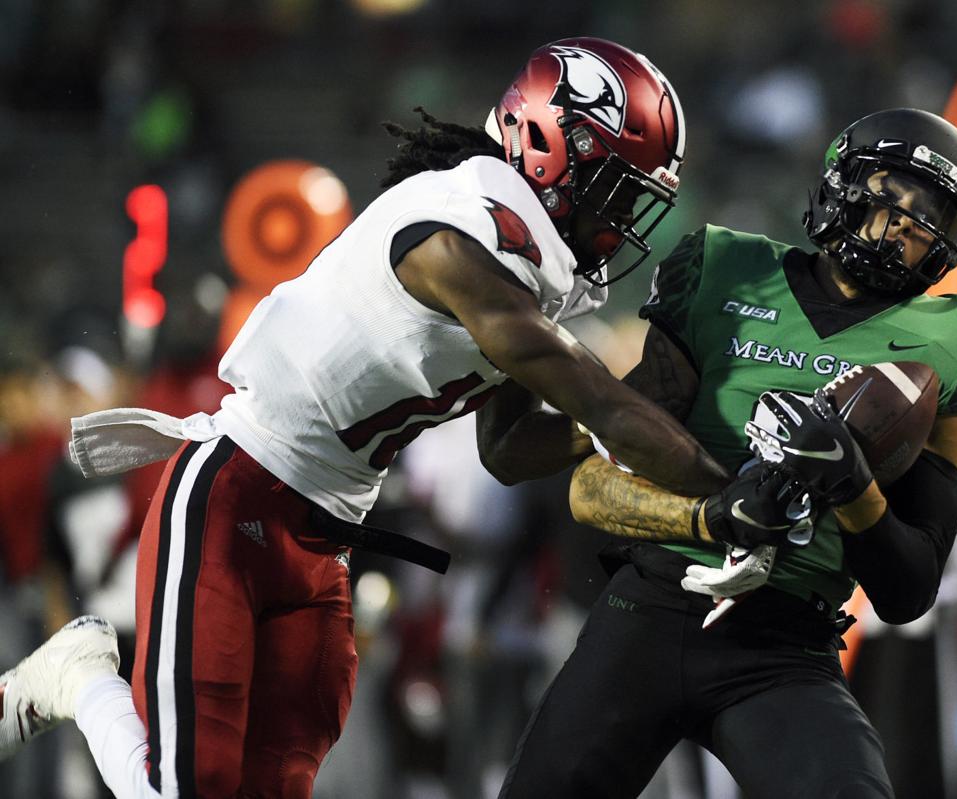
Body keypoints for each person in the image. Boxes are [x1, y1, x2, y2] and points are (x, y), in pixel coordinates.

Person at [0, 37, 744, 798]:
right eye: (618, 193)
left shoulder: (517, 259)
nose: (623, 223)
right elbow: (603, 403)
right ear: (549, 148)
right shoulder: (453, 237)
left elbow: (511, 448)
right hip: (234, 494)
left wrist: (620, 413)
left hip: (326, 531)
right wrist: (739, 490)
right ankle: (82, 678)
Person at [500, 108, 957, 798]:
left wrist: (851, 484)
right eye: (897, 194)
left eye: (935, 215)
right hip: (650, 610)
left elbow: (907, 589)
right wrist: (714, 517)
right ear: (843, 184)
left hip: (785, 645)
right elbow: (593, 487)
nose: (909, 222)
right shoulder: (725, 270)